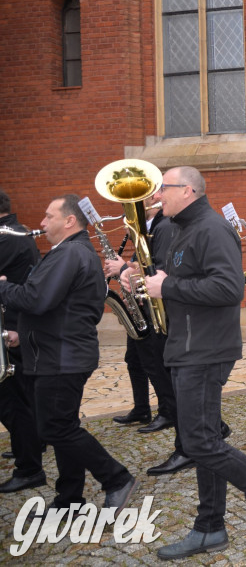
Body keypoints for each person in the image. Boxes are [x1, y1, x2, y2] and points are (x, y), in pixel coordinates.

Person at [136, 167, 246, 561]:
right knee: (205, 440)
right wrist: (139, 277)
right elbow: (176, 277)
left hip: (206, 351)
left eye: (164, 189)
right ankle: (210, 527)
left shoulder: (212, 228)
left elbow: (226, 288)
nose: (157, 196)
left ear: (187, 190)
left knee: (198, 442)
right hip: (185, 346)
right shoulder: (176, 228)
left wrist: (166, 286)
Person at [0, 195, 136, 512]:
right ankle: (69, 497)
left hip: (62, 357)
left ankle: (116, 478)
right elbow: (54, 306)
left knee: (55, 428)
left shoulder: (71, 253)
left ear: (69, 221)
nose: (42, 223)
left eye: (49, 217)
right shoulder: (68, 252)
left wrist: (3, 287)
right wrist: (24, 335)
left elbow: (37, 299)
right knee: (63, 425)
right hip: (56, 353)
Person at [105, 196, 200, 477]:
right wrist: (131, 269)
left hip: (166, 313)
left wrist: (124, 270)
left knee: (168, 374)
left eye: (159, 193)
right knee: (156, 368)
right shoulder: (155, 227)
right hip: (158, 308)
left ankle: (189, 443)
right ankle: (199, 433)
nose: (155, 199)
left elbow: (163, 271)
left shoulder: (166, 226)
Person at [0, 189, 45, 494]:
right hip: (18, 322)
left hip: (11, 326)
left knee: (13, 402)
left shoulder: (5, 237)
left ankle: (29, 466)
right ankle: (30, 442)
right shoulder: (18, 231)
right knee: (21, 398)